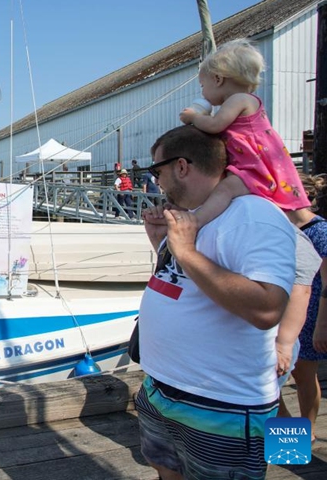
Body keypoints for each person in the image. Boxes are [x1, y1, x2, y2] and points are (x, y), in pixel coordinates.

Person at [137, 125, 296, 480]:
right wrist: (161, 243)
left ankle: (297, 454)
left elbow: (267, 308)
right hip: (162, 388)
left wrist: (187, 253)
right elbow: (184, 286)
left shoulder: (253, 216)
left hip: (221, 402)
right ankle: (293, 450)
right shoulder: (192, 217)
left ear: (181, 167)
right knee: (166, 470)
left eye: (156, 171)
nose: (155, 182)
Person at [178, 38, 310, 228]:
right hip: (252, 163)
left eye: (202, 85)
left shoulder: (238, 99)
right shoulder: (245, 100)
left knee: (225, 189)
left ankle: (196, 222)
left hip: (252, 167)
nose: (203, 92)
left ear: (218, 79)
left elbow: (215, 125)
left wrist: (194, 117)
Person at [278, 173, 327, 443]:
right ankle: (290, 438)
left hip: (311, 315)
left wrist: (321, 325)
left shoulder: (320, 231)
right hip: (286, 313)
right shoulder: (283, 228)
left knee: (304, 376)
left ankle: (304, 433)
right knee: (274, 381)